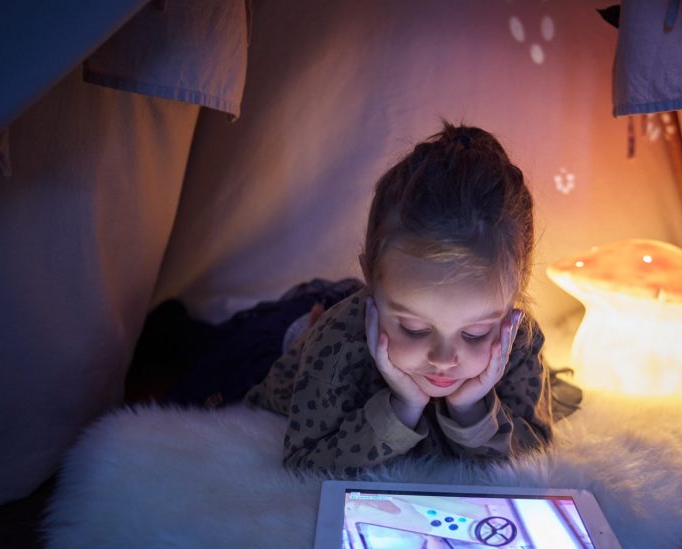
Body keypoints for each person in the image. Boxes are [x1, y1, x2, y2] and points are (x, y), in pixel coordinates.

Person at [245, 122, 579, 471]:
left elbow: (536, 451)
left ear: (514, 301)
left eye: (475, 333)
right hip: (309, 335)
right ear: (371, 281)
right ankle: (306, 324)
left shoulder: (520, 341)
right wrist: (402, 407)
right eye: (414, 328)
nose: (444, 359)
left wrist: (471, 410)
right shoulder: (337, 345)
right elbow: (303, 462)